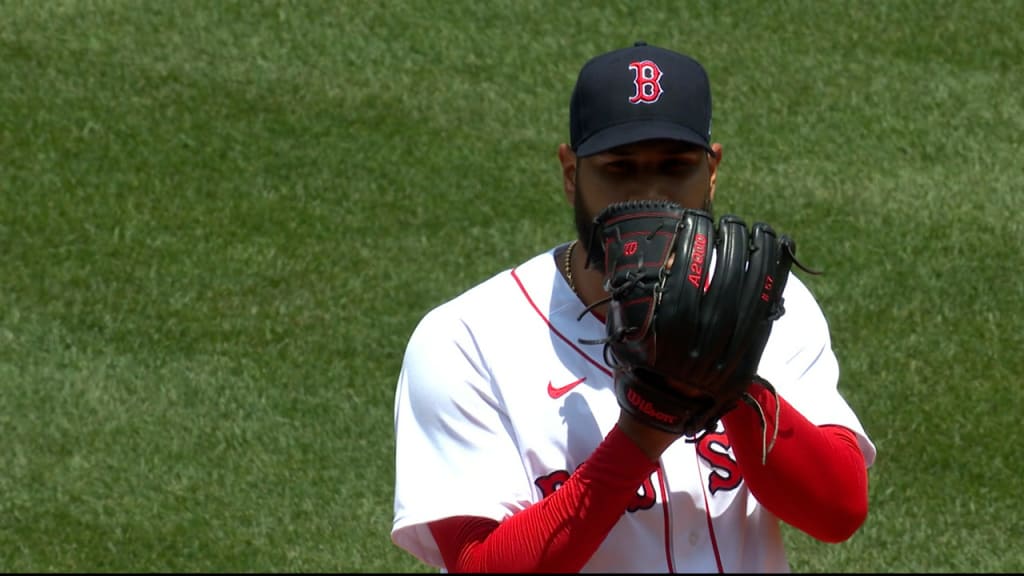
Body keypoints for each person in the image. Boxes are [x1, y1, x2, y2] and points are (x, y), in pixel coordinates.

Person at [390, 41, 876, 573]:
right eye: (619, 170)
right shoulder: (467, 339)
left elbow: (838, 512)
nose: (650, 195)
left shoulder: (764, 307)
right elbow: (479, 566)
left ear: (712, 170)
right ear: (571, 172)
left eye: (675, 167)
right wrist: (643, 433)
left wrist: (733, 384)